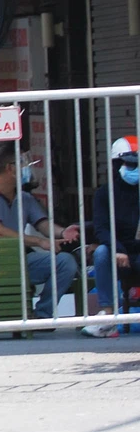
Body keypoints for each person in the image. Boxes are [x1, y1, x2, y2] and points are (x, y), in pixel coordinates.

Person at [0, 152, 79, 321]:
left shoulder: (25, 198)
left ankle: (42, 315)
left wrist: (62, 232)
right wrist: (39, 242)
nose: (27, 169)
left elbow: (43, 225)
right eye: (24, 165)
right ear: (10, 168)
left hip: (18, 262)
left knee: (65, 262)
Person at [84, 136, 140, 333]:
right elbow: (101, 228)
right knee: (101, 253)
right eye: (129, 164)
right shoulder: (105, 193)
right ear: (117, 164)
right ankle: (108, 315)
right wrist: (118, 250)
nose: (134, 169)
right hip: (118, 254)